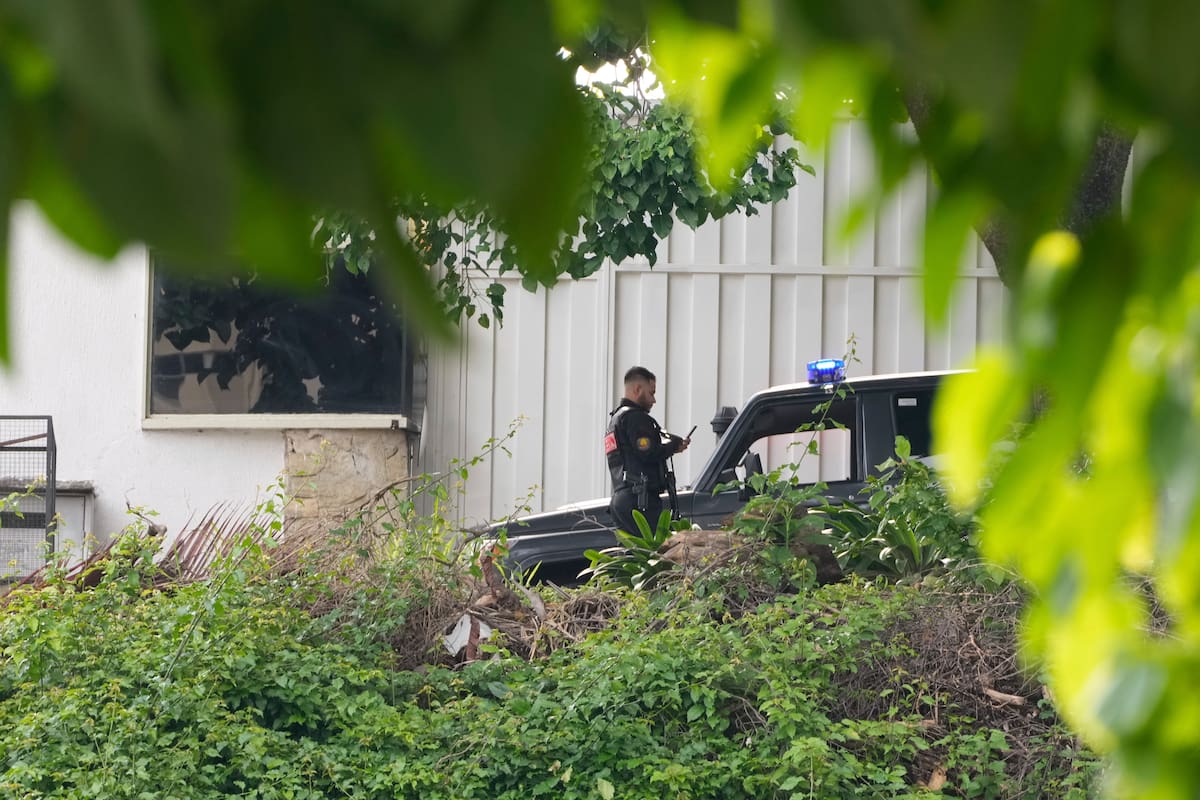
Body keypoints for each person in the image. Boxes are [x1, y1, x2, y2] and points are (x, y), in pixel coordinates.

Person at [604, 366, 690, 535]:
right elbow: (647, 451)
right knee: (653, 547)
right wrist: (673, 446)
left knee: (632, 549)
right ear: (638, 389)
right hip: (640, 501)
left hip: (623, 499)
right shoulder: (635, 418)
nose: (654, 400)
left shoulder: (616, 419)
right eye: (651, 393)